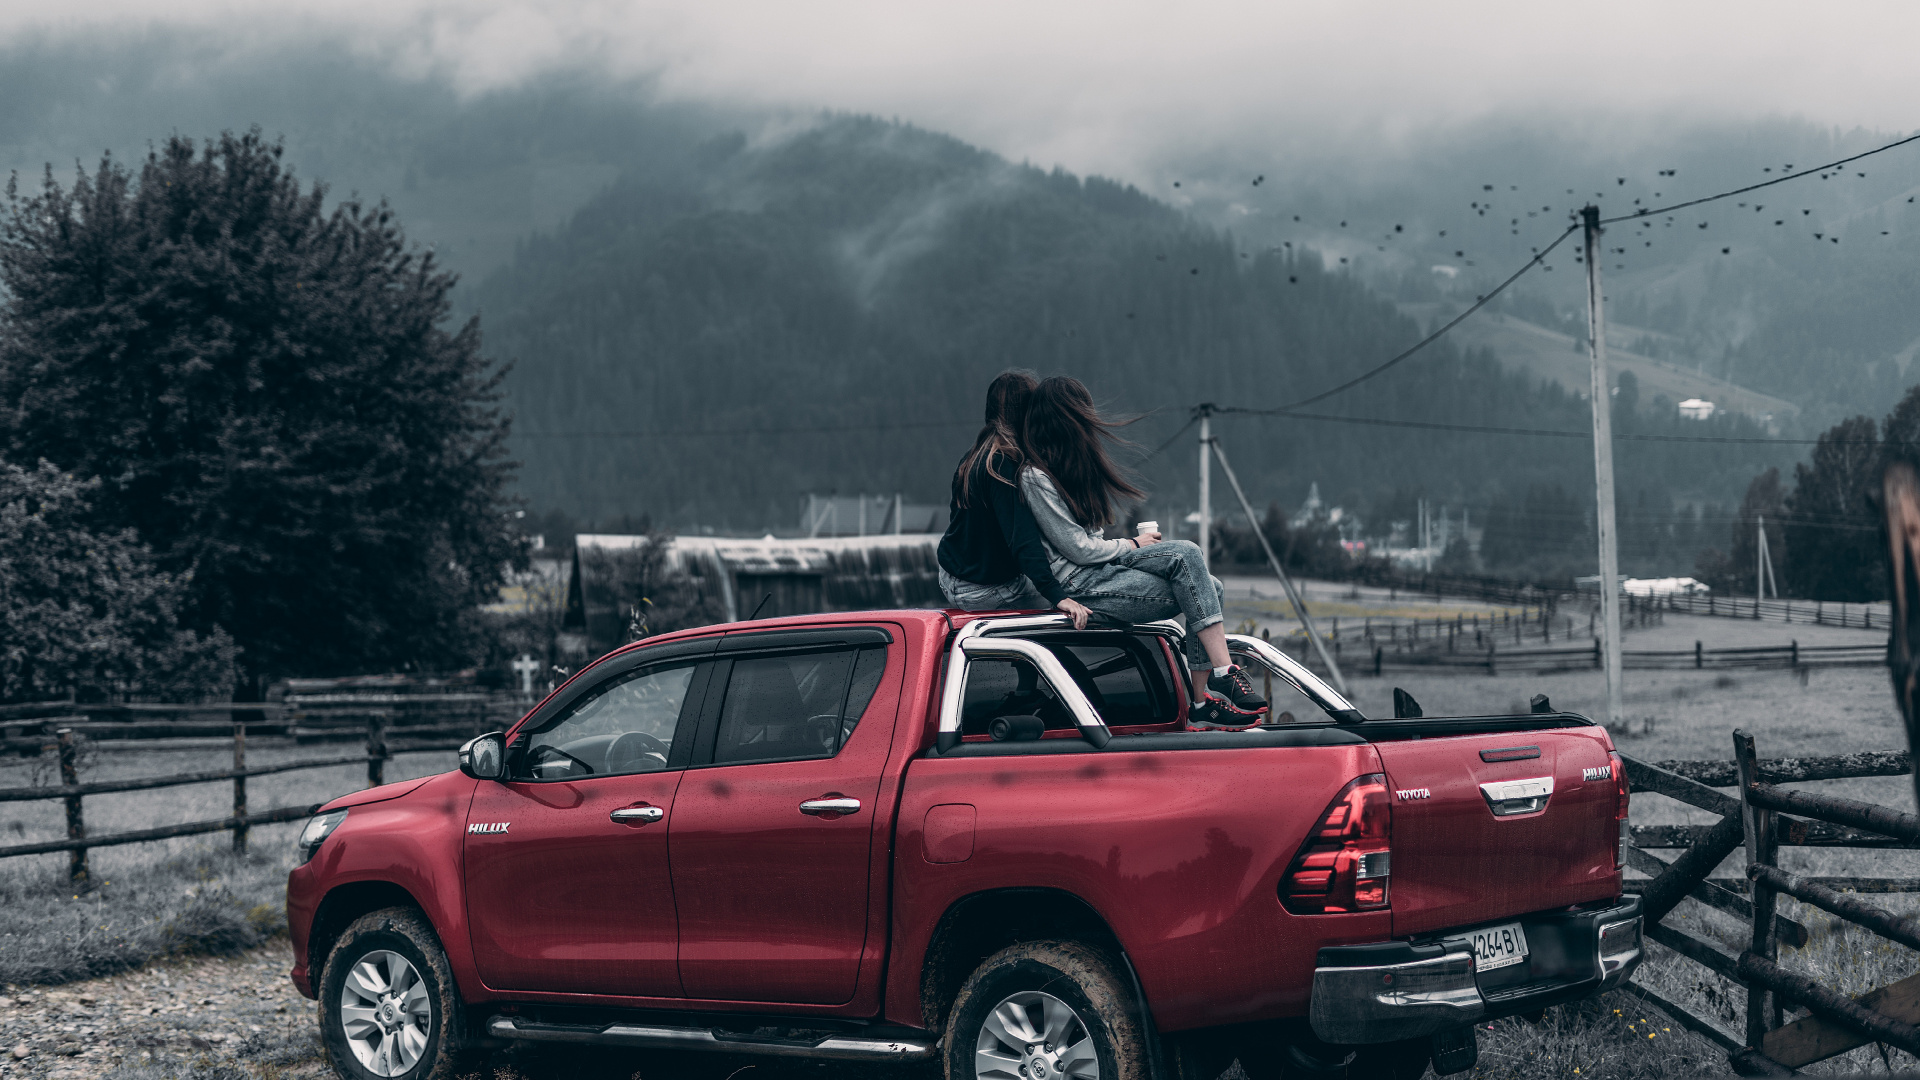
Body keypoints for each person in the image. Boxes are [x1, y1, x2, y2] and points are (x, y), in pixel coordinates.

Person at [1019, 375, 1268, 725]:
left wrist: (1125, 548)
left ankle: (1203, 699)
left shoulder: (1070, 468)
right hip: (1077, 582)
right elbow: (1077, 549)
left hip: (1100, 566)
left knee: (1204, 578)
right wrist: (1133, 545)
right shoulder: (1035, 478)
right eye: (1081, 415)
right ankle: (1223, 673)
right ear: (1062, 420)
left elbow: (1092, 540)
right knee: (1196, 572)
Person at [936, 370, 1094, 628]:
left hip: (950, 577)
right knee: (1080, 592)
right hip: (982, 589)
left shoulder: (975, 456)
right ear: (1026, 415)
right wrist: (1059, 597)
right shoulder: (1002, 467)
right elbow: (1023, 539)